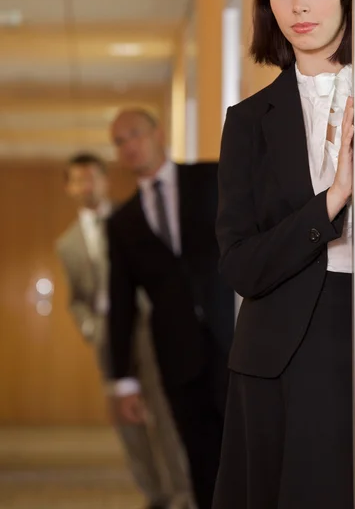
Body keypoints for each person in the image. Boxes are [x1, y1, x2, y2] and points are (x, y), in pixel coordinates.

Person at [212, 0, 355, 509]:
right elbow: (241, 266)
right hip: (282, 356)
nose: (299, 5)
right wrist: (330, 200)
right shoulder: (249, 121)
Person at [107, 108, 236, 509]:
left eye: (134, 134)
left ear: (158, 133)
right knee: (200, 455)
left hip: (233, 339)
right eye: (120, 141)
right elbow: (121, 302)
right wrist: (123, 380)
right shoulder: (122, 222)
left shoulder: (210, 178)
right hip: (177, 354)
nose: (129, 146)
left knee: (246, 445)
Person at [56, 153, 179, 509]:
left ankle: (181, 493)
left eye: (92, 178)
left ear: (105, 180)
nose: (86, 186)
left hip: (146, 330)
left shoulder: (133, 218)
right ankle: (154, 495)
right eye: (78, 180)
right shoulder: (67, 244)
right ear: (69, 188)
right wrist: (90, 327)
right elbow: (77, 298)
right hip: (107, 340)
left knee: (163, 412)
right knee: (127, 422)